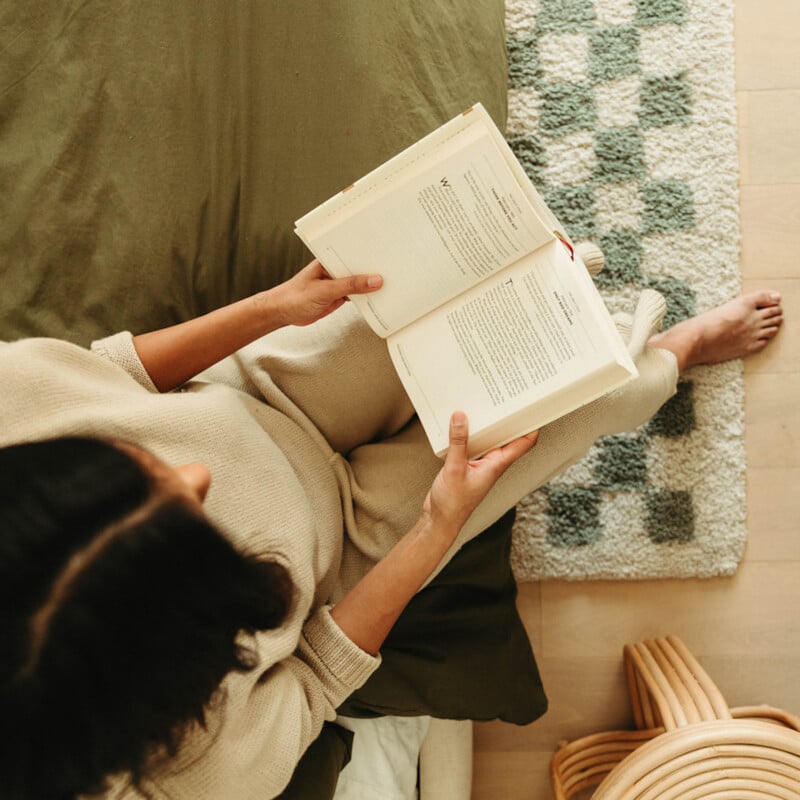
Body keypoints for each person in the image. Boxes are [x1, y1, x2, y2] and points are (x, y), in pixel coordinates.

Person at [0, 255, 783, 800]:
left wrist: (273, 309)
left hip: (260, 394)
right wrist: (436, 532)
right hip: (353, 534)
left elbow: (121, 372)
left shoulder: (14, 402)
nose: (194, 474)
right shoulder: (198, 767)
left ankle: (565, 289)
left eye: (134, 461)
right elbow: (318, 673)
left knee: (453, 293)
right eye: (189, 513)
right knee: (582, 401)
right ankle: (677, 351)